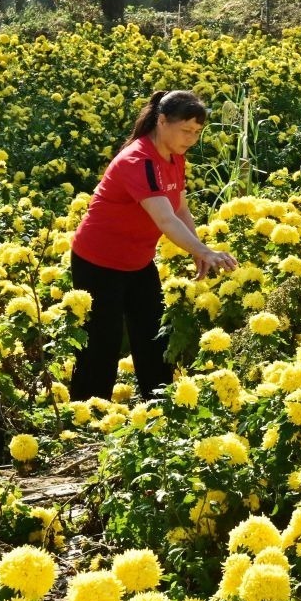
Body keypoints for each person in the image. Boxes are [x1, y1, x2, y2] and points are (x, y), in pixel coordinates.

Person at [68, 90, 237, 401]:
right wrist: (204, 252)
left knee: (154, 335)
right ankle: (88, 417)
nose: (192, 138)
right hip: (98, 262)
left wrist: (198, 247)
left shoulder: (175, 156)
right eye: (186, 130)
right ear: (161, 121)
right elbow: (165, 219)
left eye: (197, 132)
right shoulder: (139, 160)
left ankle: (160, 408)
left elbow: (180, 209)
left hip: (137, 261)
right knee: (101, 343)